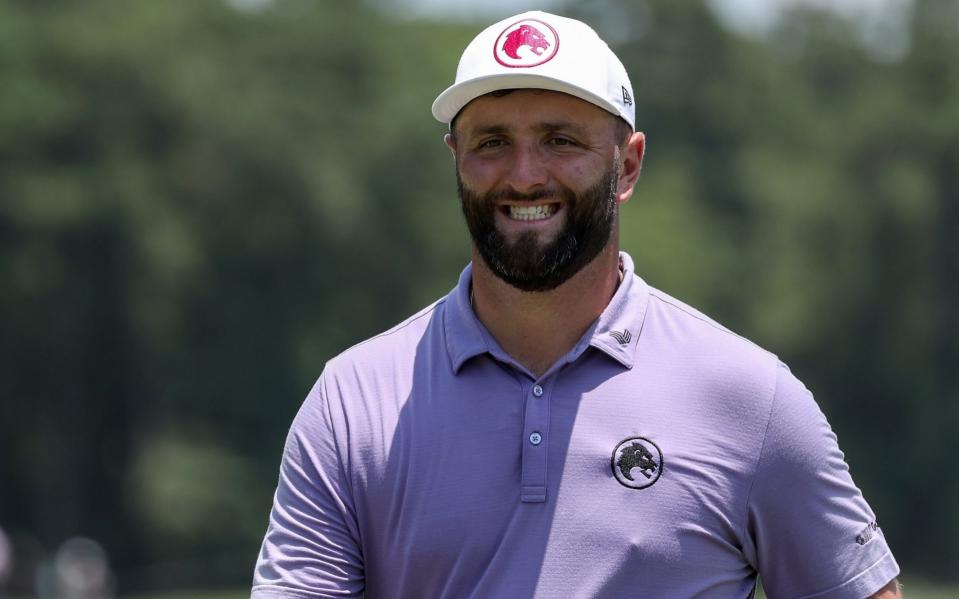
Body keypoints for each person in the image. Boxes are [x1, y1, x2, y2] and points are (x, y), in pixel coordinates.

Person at [252, 10, 901, 598]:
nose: (525, 174)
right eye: (491, 142)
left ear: (626, 165)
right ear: (455, 158)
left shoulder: (748, 397)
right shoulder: (352, 399)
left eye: (560, 140)